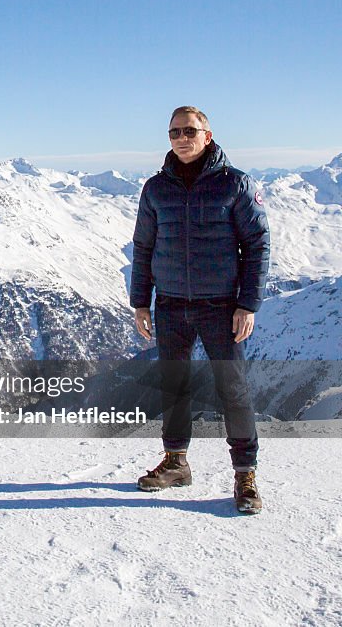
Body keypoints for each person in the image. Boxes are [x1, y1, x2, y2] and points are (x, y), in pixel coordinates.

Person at [129, 106, 271, 514]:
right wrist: (141, 301)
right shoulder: (156, 188)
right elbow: (144, 246)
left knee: (233, 390)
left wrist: (248, 303)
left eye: (189, 130)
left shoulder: (235, 184)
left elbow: (258, 245)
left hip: (221, 306)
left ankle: (245, 475)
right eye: (174, 131)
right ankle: (176, 463)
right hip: (170, 304)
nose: (181, 137)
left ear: (207, 135)